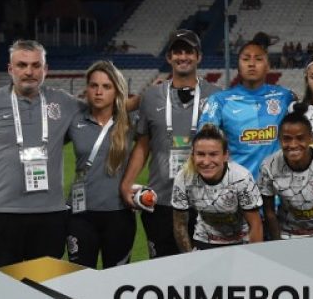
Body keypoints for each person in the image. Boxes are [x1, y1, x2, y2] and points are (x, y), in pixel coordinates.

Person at [0, 40, 82, 268]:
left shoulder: (65, 102)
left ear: (45, 69)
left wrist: (144, 98)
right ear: (10, 69)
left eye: (36, 65)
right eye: (22, 65)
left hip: (49, 214)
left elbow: (104, 107)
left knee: (46, 289)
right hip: (1, 213)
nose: (29, 71)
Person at [120, 29, 219, 258]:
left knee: (205, 272)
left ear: (199, 57)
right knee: (162, 272)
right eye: (177, 52)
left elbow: (226, 149)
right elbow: (143, 144)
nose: (183, 57)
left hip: (205, 201)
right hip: (161, 201)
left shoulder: (216, 96)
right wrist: (127, 184)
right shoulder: (152, 96)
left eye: (189, 52)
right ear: (169, 57)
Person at [65, 61, 135, 268]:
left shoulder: (132, 120)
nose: (98, 92)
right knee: (79, 281)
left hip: (119, 213)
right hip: (80, 215)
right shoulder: (74, 119)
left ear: (117, 90)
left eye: (106, 87)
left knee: (117, 284)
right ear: (86, 88)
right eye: (93, 85)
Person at [198, 32, 295, 178]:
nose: (251, 63)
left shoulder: (284, 97)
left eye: (258, 59)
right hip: (236, 189)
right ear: (238, 65)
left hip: (276, 190)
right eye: (246, 59)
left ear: (267, 66)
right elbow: (204, 139)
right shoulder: (220, 101)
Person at [256, 104, 313, 239]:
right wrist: (277, 243)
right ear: (279, 139)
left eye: (300, 138)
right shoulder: (268, 166)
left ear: (311, 137)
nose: (293, 145)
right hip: (288, 233)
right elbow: (269, 210)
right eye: (287, 139)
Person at [170, 124, 263, 250]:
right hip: (205, 240)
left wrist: (252, 259)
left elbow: (255, 225)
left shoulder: (242, 178)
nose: (206, 161)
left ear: (226, 156)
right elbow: (179, 225)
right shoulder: (184, 177)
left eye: (213, 154)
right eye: (200, 154)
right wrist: (188, 258)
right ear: (192, 155)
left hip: (241, 242)